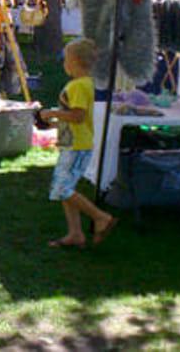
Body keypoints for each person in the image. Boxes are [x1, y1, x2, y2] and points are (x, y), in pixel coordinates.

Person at [40, 39, 119, 249]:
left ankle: (101, 217)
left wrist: (52, 113)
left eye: (66, 59)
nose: (64, 64)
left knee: (62, 188)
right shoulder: (85, 84)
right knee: (67, 188)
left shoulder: (77, 86)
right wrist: (57, 122)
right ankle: (75, 233)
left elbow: (77, 116)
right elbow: (75, 116)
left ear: (74, 61)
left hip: (76, 146)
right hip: (75, 143)